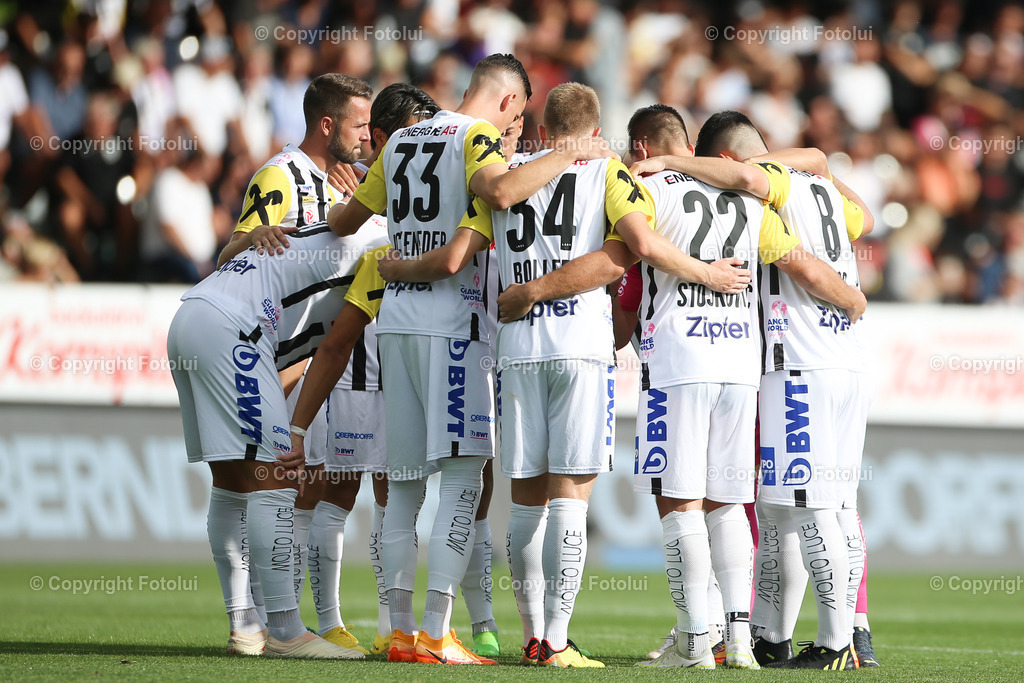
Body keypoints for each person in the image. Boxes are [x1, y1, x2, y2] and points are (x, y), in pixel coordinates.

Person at [496, 104, 864, 670]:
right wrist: (851, 296)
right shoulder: (752, 199)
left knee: (680, 503)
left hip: (677, 361)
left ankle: (696, 640)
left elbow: (634, 246)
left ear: (641, 148)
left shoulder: (645, 186)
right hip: (743, 365)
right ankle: (740, 643)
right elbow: (801, 255)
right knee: (731, 503)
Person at [323, 53, 615, 666]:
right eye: (516, 123)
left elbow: (344, 220)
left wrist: (387, 252)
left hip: (395, 325)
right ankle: (437, 631)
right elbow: (500, 191)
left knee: (401, 487)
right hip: (453, 331)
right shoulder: (476, 137)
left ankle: (399, 632)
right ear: (509, 103)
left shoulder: (401, 139)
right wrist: (570, 152)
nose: (511, 137)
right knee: (461, 482)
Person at [646, 110, 874, 669]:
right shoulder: (818, 185)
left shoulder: (764, 188)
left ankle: (837, 641)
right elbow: (862, 218)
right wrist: (815, 161)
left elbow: (787, 241)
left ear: (722, 162)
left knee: (809, 506)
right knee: (792, 507)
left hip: (799, 363)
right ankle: (776, 634)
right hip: (844, 362)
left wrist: (673, 161)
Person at [212, 72, 373, 653]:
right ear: (327, 125)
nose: (368, 136)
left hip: (303, 359)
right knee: (265, 482)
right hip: (260, 352)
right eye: (359, 124)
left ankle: (265, 621)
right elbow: (230, 253)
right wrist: (254, 239)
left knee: (291, 483)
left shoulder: (348, 180)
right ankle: (260, 620)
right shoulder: (280, 175)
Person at [167, 221, 374, 660]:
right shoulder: (388, 247)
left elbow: (308, 348)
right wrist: (295, 431)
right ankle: (285, 630)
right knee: (276, 478)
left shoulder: (359, 228)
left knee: (230, 481)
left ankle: (245, 626)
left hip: (192, 314)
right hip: (237, 331)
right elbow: (335, 349)